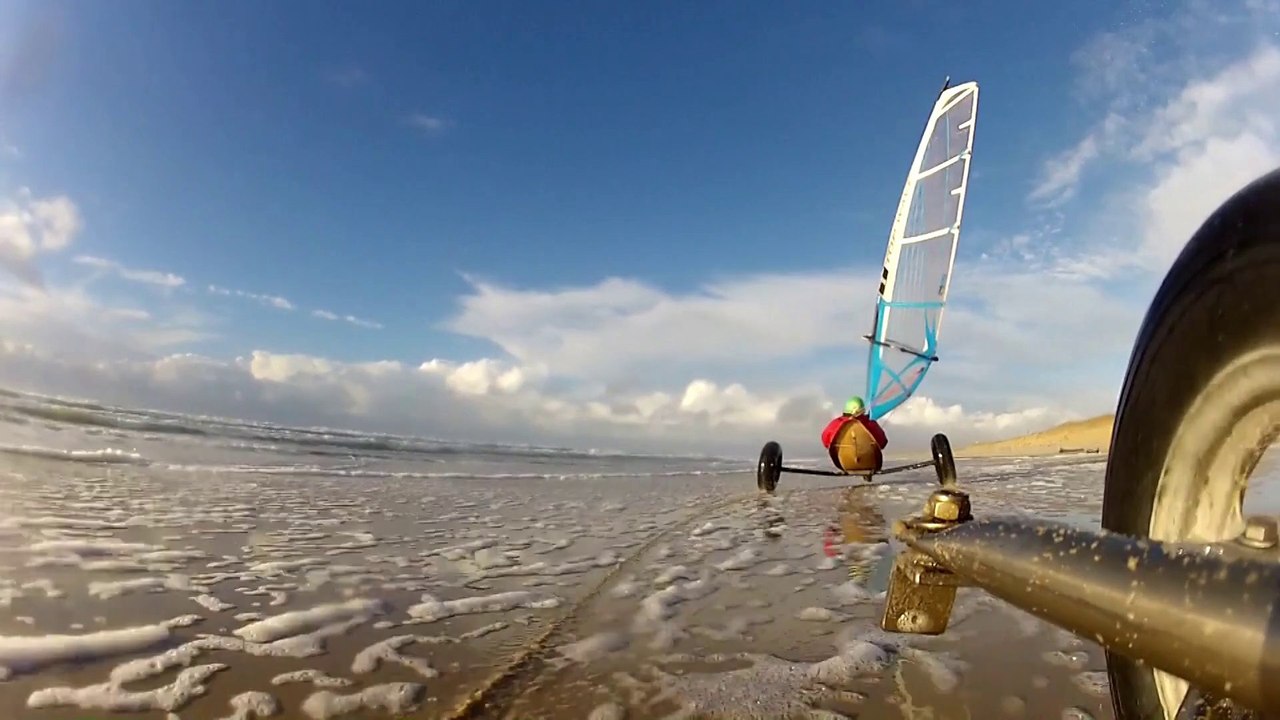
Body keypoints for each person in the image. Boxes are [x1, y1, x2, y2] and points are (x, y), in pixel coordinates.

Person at [820, 396, 888, 470]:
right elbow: (883, 443)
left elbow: (826, 442)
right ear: (862, 410)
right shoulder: (870, 423)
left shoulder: (835, 424)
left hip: (844, 464)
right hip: (870, 464)